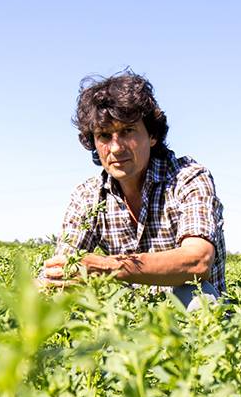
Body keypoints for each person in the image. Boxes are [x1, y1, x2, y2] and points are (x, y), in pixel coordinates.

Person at [38, 72, 225, 307]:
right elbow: (62, 270)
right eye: (104, 135)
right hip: (130, 322)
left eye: (127, 131)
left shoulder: (187, 179)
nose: (115, 148)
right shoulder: (88, 196)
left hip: (190, 321)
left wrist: (107, 267)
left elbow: (197, 262)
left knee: (197, 297)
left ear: (152, 135)